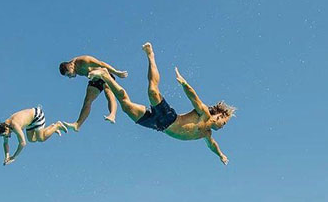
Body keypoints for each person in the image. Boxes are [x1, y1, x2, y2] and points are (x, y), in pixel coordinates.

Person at [88, 42, 235, 165]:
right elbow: (194, 97)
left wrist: (221, 155)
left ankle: (106, 77)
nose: (223, 126)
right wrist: (184, 83)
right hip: (169, 118)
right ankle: (151, 55)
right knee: (152, 90)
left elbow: (213, 146)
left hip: (158, 126)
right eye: (225, 122)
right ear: (219, 115)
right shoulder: (204, 113)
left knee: (126, 107)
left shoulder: (206, 134)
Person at [58, 55, 129, 131]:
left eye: (69, 74)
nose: (70, 77)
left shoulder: (84, 60)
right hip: (95, 80)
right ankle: (77, 125)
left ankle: (112, 114)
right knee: (87, 101)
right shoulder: (72, 66)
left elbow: (101, 64)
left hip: (104, 75)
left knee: (108, 92)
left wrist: (116, 72)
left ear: (71, 66)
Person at [0, 107, 67, 165]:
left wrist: (14, 157)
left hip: (37, 116)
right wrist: (7, 156)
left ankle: (57, 125)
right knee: (32, 139)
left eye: (4, 135)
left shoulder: (14, 125)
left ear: (6, 129)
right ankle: (52, 127)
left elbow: (22, 143)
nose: (6, 136)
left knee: (41, 138)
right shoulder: (5, 127)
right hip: (29, 122)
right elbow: (5, 143)